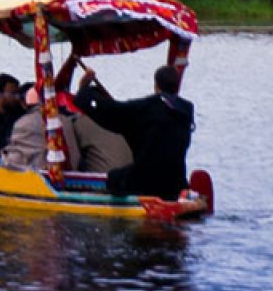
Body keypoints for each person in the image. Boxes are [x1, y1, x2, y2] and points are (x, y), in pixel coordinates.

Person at [74, 62, 195, 199]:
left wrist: (84, 91)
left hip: (145, 179)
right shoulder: (186, 111)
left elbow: (111, 112)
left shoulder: (148, 108)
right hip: (176, 181)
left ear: (156, 86)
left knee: (114, 179)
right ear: (177, 87)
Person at [1, 84, 79, 172]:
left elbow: (14, 162)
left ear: (23, 103)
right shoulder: (67, 121)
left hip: (41, 180)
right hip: (71, 176)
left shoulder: (24, 123)